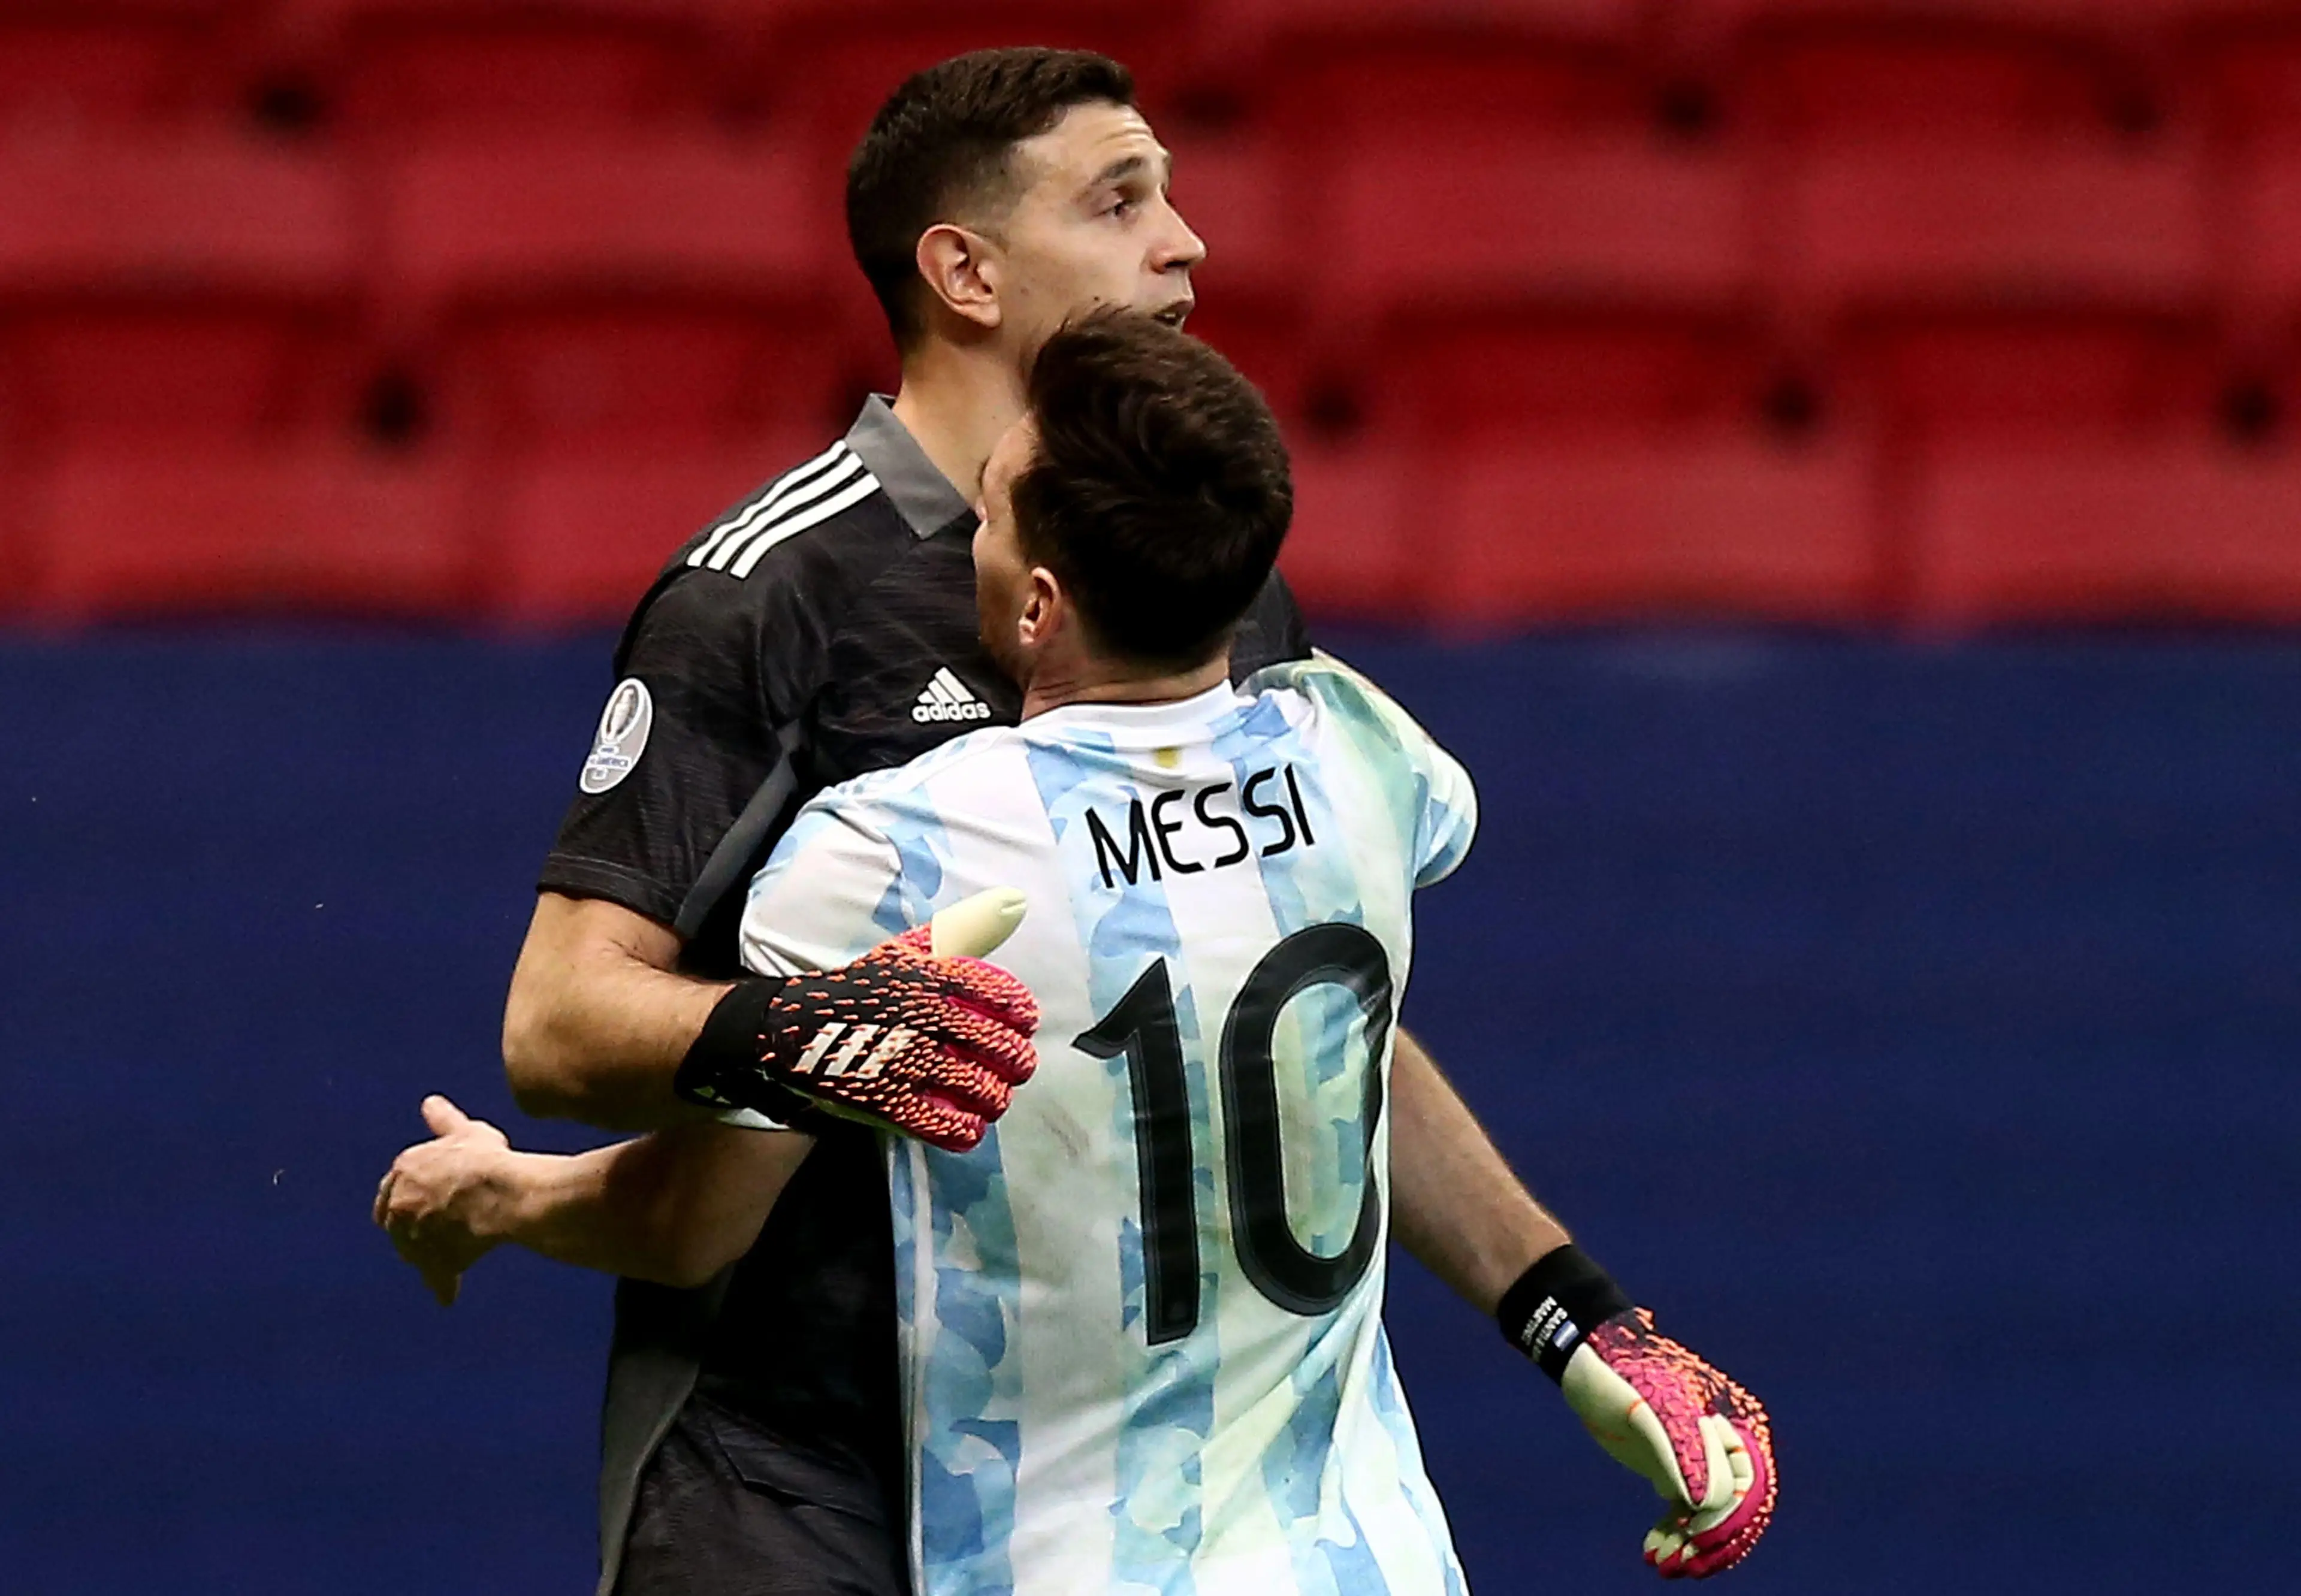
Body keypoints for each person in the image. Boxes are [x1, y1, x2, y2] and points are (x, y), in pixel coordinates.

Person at [377, 46, 1755, 1594]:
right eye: (1121, 200)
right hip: (785, 1467)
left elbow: (1299, 994)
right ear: (964, 270)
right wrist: (811, 1035)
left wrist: (1565, 1311)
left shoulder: (1195, 562)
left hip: (1102, 1476)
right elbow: (561, 1019)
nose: (1188, 241)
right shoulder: (767, 595)